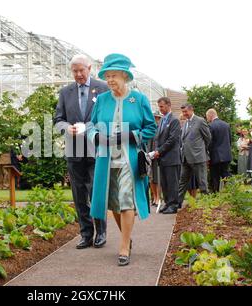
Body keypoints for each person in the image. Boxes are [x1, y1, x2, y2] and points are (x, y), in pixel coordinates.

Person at [87, 53, 157, 266]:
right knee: (113, 203)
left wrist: (130, 135)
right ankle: (127, 237)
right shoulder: (101, 100)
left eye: (114, 75)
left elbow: (150, 127)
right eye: (107, 76)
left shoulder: (139, 99)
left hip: (129, 159)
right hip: (106, 159)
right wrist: (96, 136)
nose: (109, 80)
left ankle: (124, 245)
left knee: (127, 199)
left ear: (125, 76)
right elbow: (90, 125)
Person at [54, 54, 109, 250]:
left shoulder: (103, 88)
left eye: (81, 70)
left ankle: (101, 232)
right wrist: (65, 128)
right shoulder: (65, 92)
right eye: (75, 71)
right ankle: (86, 234)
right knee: (78, 194)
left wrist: (90, 127)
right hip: (74, 149)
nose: (78, 74)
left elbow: (108, 117)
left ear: (89, 68)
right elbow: (58, 119)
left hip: (97, 149)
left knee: (96, 191)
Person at [176, 104, 211, 211]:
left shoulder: (200, 121)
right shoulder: (186, 123)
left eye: (186, 111)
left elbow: (208, 138)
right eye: (183, 112)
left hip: (198, 158)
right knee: (182, 182)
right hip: (186, 158)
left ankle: (207, 206)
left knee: (202, 183)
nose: (184, 114)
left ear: (192, 110)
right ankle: (177, 204)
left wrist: (201, 150)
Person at [152, 97, 182, 214]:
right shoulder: (162, 121)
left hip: (171, 157)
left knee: (172, 182)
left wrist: (159, 151)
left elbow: (172, 139)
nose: (160, 109)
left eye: (162, 106)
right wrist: (156, 151)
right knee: (164, 182)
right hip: (162, 158)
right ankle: (168, 203)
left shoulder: (174, 121)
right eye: (159, 107)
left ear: (169, 105)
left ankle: (174, 205)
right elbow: (157, 138)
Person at [206, 109, 232, 193]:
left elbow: (209, 142)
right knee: (226, 175)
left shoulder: (210, 126)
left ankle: (215, 194)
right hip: (226, 155)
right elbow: (229, 140)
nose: (207, 119)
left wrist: (208, 154)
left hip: (215, 156)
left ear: (210, 115)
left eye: (207, 117)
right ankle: (230, 192)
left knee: (215, 176)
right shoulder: (226, 125)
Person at [148, 112, 162, 207]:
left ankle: (158, 198)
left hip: (157, 155)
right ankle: (154, 197)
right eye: (154, 118)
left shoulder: (160, 129)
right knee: (151, 178)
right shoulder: (150, 129)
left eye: (157, 118)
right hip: (149, 155)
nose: (155, 120)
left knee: (157, 178)